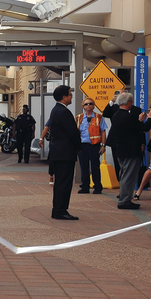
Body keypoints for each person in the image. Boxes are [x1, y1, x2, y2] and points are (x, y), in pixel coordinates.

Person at [45, 84, 81, 220]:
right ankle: (61, 210)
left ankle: (58, 209)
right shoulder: (63, 111)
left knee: (60, 182)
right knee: (64, 183)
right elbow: (72, 132)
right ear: (64, 97)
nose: (71, 96)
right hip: (65, 152)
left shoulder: (55, 110)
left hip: (58, 152)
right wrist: (79, 146)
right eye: (70, 94)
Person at [109, 91, 149, 210]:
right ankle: (124, 200)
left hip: (121, 150)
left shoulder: (116, 115)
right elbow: (143, 128)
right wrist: (150, 118)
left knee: (124, 174)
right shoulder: (128, 116)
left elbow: (131, 128)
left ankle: (124, 197)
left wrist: (139, 121)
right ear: (129, 102)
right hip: (130, 150)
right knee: (128, 176)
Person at [75, 98, 108, 194]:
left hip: (94, 145)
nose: (88, 105)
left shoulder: (99, 117)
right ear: (83, 106)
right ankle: (85, 186)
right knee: (84, 166)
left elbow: (103, 132)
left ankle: (97, 187)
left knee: (95, 166)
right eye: (86, 104)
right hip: (82, 145)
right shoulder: (79, 118)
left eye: (90, 104)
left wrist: (103, 146)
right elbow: (76, 132)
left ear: (94, 105)